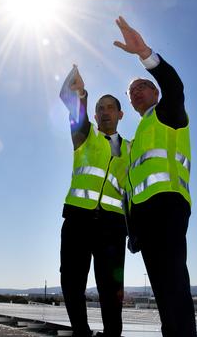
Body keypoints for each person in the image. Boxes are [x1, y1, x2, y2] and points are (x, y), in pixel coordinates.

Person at [113, 15, 197, 336]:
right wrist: (131, 229)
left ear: (155, 93)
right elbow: (130, 189)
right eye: (131, 91)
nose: (135, 93)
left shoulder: (168, 115)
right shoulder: (137, 139)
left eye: (142, 87)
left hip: (169, 207)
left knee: (174, 285)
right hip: (145, 220)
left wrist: (145, 54)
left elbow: (174, 86)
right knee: (163, 293)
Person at [59, 65, 130, 337]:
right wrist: (81, 92)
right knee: (72, 280)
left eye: (110, 107)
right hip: (78, 219)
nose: (104, 111)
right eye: (99, 108)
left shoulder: (132, 149)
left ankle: (112, 335)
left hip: (113, 227)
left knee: (111, 289)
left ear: (120, 114)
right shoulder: (84, 136)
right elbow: (68, 98)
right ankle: (81, 331)